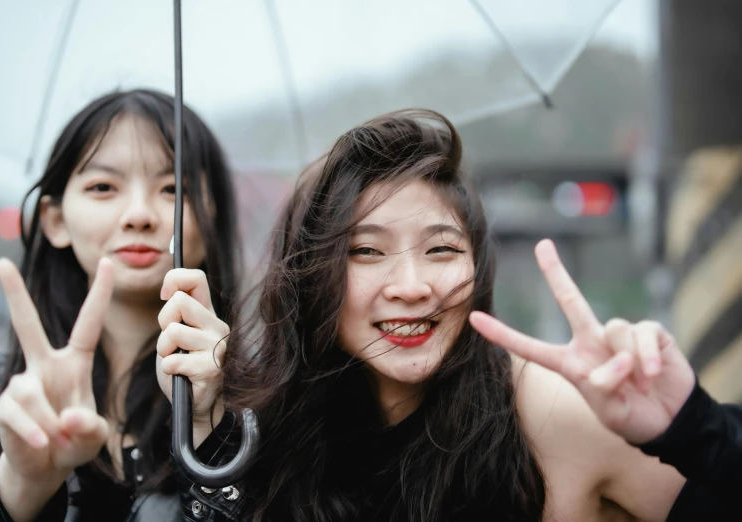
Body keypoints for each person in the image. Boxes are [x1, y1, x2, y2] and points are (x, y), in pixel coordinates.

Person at [158, 109, 715, 521]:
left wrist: (691, 423)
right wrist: (207, 425)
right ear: (311, 275)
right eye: (366, 251)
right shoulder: (276, 428)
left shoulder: (553, 411)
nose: (411, 287)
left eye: (442, 250)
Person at [0, 88, 241, 521]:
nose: (139, 214)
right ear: (54, 221)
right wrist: (20, 485)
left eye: (172, 188)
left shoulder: (269, 399)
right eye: (103, 186)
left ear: (211, 217)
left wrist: (210, 431)